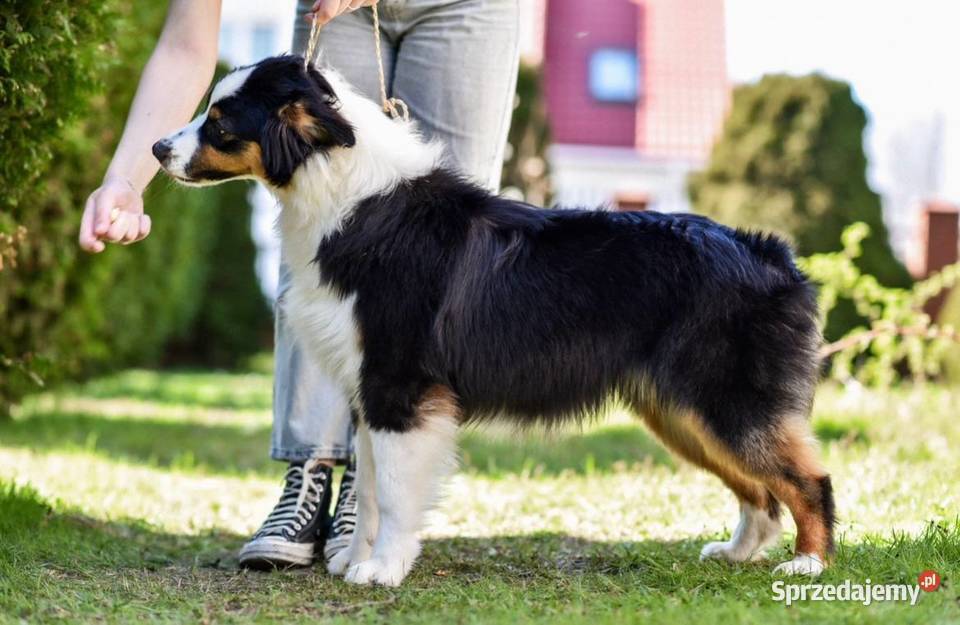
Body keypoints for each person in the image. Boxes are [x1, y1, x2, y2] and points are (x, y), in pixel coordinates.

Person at [78, 0, 519, 570]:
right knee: (313, 228)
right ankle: (307, 477)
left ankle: (377, 498)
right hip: (333, 14)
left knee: (442, 248)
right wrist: (124, 181)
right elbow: (186, 43)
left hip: (466, 8)